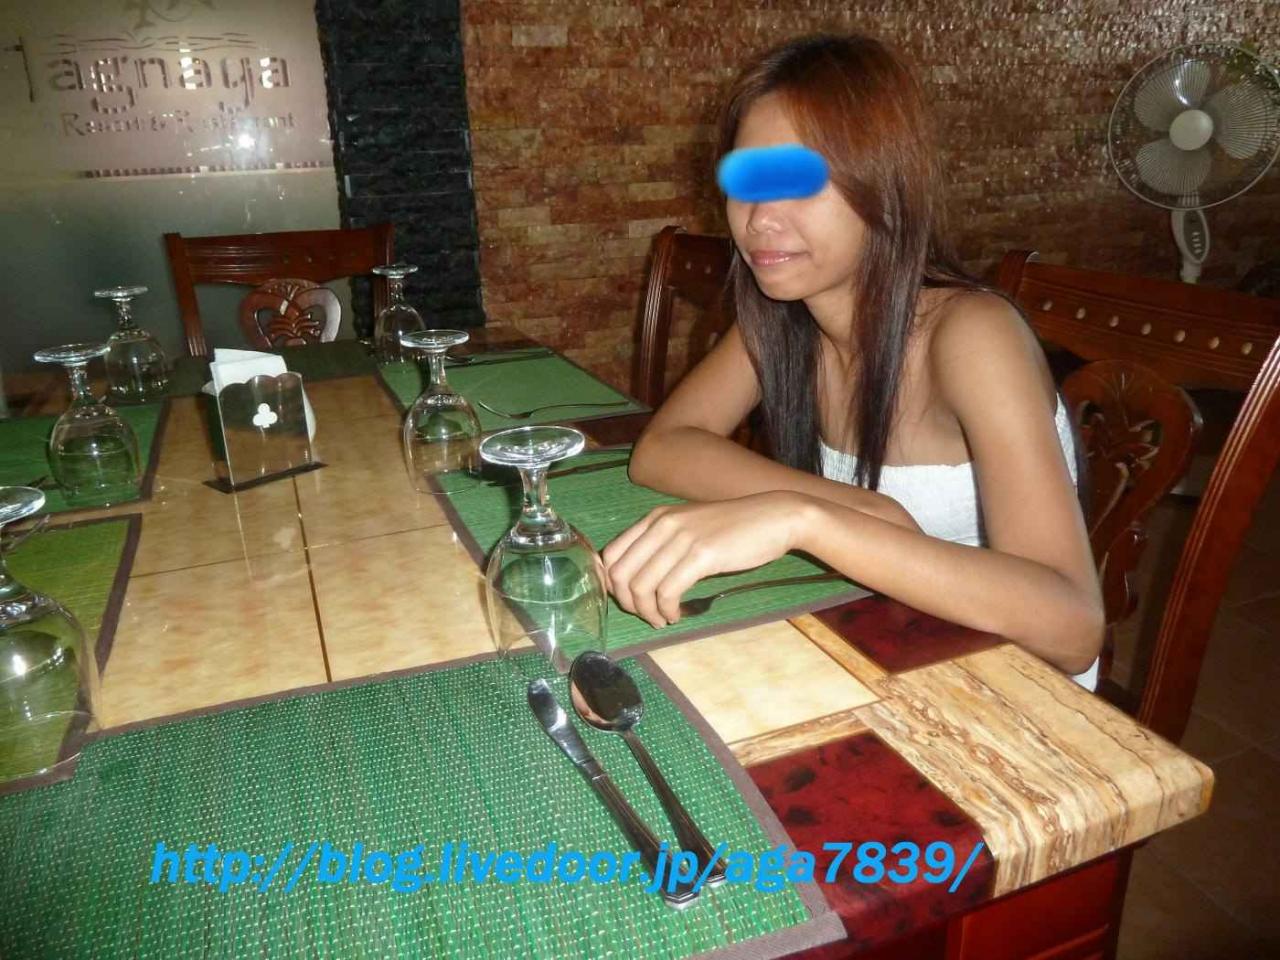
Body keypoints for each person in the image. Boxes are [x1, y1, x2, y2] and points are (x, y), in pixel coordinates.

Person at [601, 33, 1104, 689]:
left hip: (1008, 688)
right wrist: (856, 510)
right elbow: (662, 448)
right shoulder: (784, 317)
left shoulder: (972, 334)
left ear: (884, 189)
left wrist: (802, 518)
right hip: (883, 645)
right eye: (747, 180)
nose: (760, 219)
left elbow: (1074, 628)